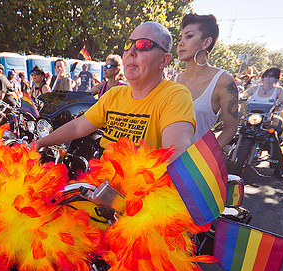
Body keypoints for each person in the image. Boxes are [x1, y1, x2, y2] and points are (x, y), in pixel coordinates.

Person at [36, 21, 196, 163]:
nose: (131, 52)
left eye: (144, 45)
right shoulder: (115, 94)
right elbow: (77, 128)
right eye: (128, 44)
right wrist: (38, 143)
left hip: (142, 193)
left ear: (164, 60)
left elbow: (175, 159)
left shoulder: (175, 96)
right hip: (100, 185)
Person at [174, 13, 238, 148]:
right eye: (180, 38)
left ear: (206, 42)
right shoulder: (173, 81)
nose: (181, 43)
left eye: (189, 36)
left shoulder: (223, 81)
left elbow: (231, 128)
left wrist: (206, 155)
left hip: (194, 165)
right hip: (164, 159)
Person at [244, 67, 283, 179]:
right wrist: (237, 96)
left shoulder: (279, 90)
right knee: (234, 131)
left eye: (272, 76)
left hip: (267, 120)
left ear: (276, 79)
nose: (268, 79)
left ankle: (279, 167)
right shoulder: (254, 88)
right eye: (267, 76)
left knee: (272, 139)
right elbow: (243, 95)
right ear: (263, 77)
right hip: (250, 117)